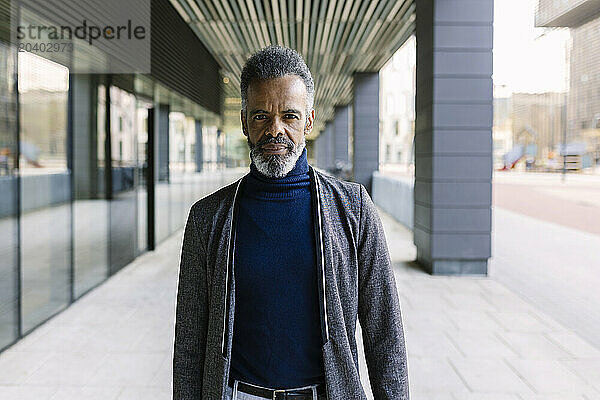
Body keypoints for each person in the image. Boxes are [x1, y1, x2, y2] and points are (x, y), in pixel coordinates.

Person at [173, 45, 409, 400]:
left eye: (290, 116)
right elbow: (190, 341)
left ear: (309, 120)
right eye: (260, 116)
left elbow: (384, 330)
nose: (275, 130)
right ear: (243, 122)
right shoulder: (208, 218)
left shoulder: (354, 209)